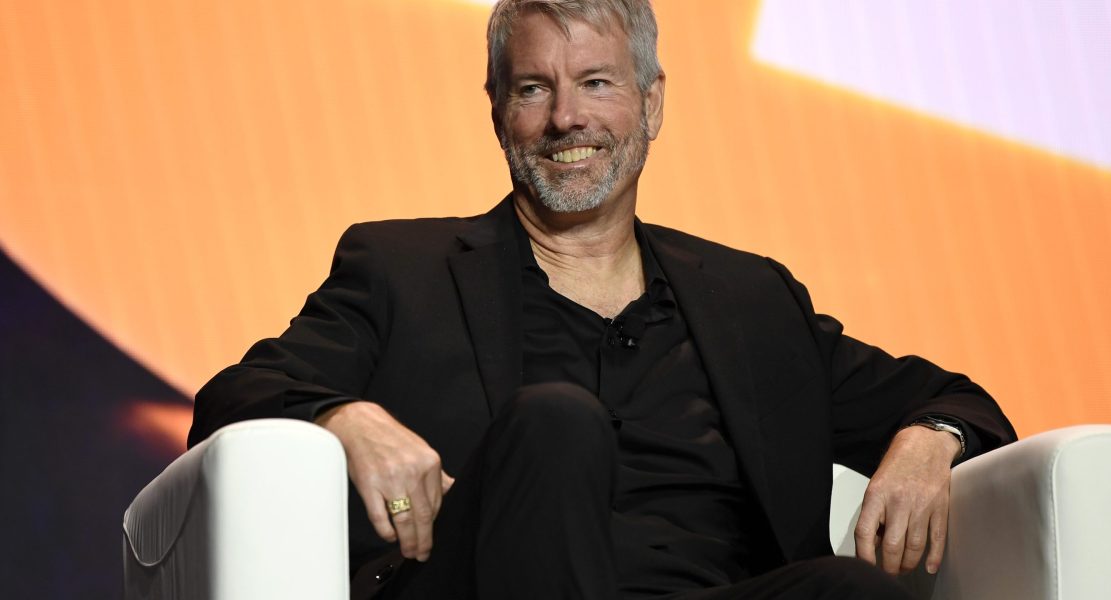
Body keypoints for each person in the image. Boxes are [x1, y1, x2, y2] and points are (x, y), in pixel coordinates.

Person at [187, 1, 1016, 598]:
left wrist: (932, 436)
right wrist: (342, 414)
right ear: (497, 112)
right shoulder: (402, 269)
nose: (567, 118)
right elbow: (236, 395)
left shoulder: (750, 300)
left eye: (595, 82)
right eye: (533, 89)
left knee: (848, 591)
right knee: (556, 421)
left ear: (651, 104)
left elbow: (956, 398)